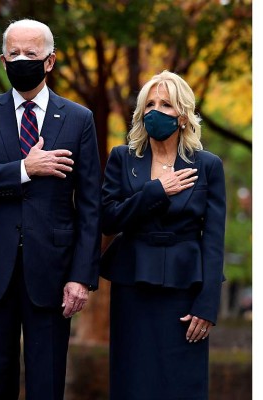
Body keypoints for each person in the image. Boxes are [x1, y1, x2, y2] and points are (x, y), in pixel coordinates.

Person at [0, 18, 102, 400]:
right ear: (2, 60)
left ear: (49, 61)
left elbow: (89, 206)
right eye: (13, 53)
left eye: (30, 54)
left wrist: (81, 276)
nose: (21, 60)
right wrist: (23, 169)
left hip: (52, 272)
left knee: (46, 383)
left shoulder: (79, 119)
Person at [100, 70, 226, 400]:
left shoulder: (207, 165)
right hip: (132, 283)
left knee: (182, 383)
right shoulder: (122, 158)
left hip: (185, 289)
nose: (155, 111)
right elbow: (108, 220)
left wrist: (208, 305)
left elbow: (213, 239)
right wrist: (155, 191)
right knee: (133, 380)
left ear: (182, 116)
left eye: (166, 104)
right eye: (150, 104)